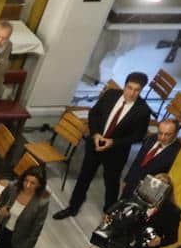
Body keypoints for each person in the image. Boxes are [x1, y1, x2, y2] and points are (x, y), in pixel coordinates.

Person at [58, 73, 152, 218]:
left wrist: (113, 142)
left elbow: (138, 136)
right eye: (129, 88)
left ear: (141, 90)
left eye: (136, 90)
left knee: (111, 184)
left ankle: (109, 214)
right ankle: (73, 207)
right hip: (95, 144)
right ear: (125, 85)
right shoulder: (111, 95)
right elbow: (94, 113)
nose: (131, 93)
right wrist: (95, 134)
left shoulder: (143, 110)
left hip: (116, 153)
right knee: (84, 177)